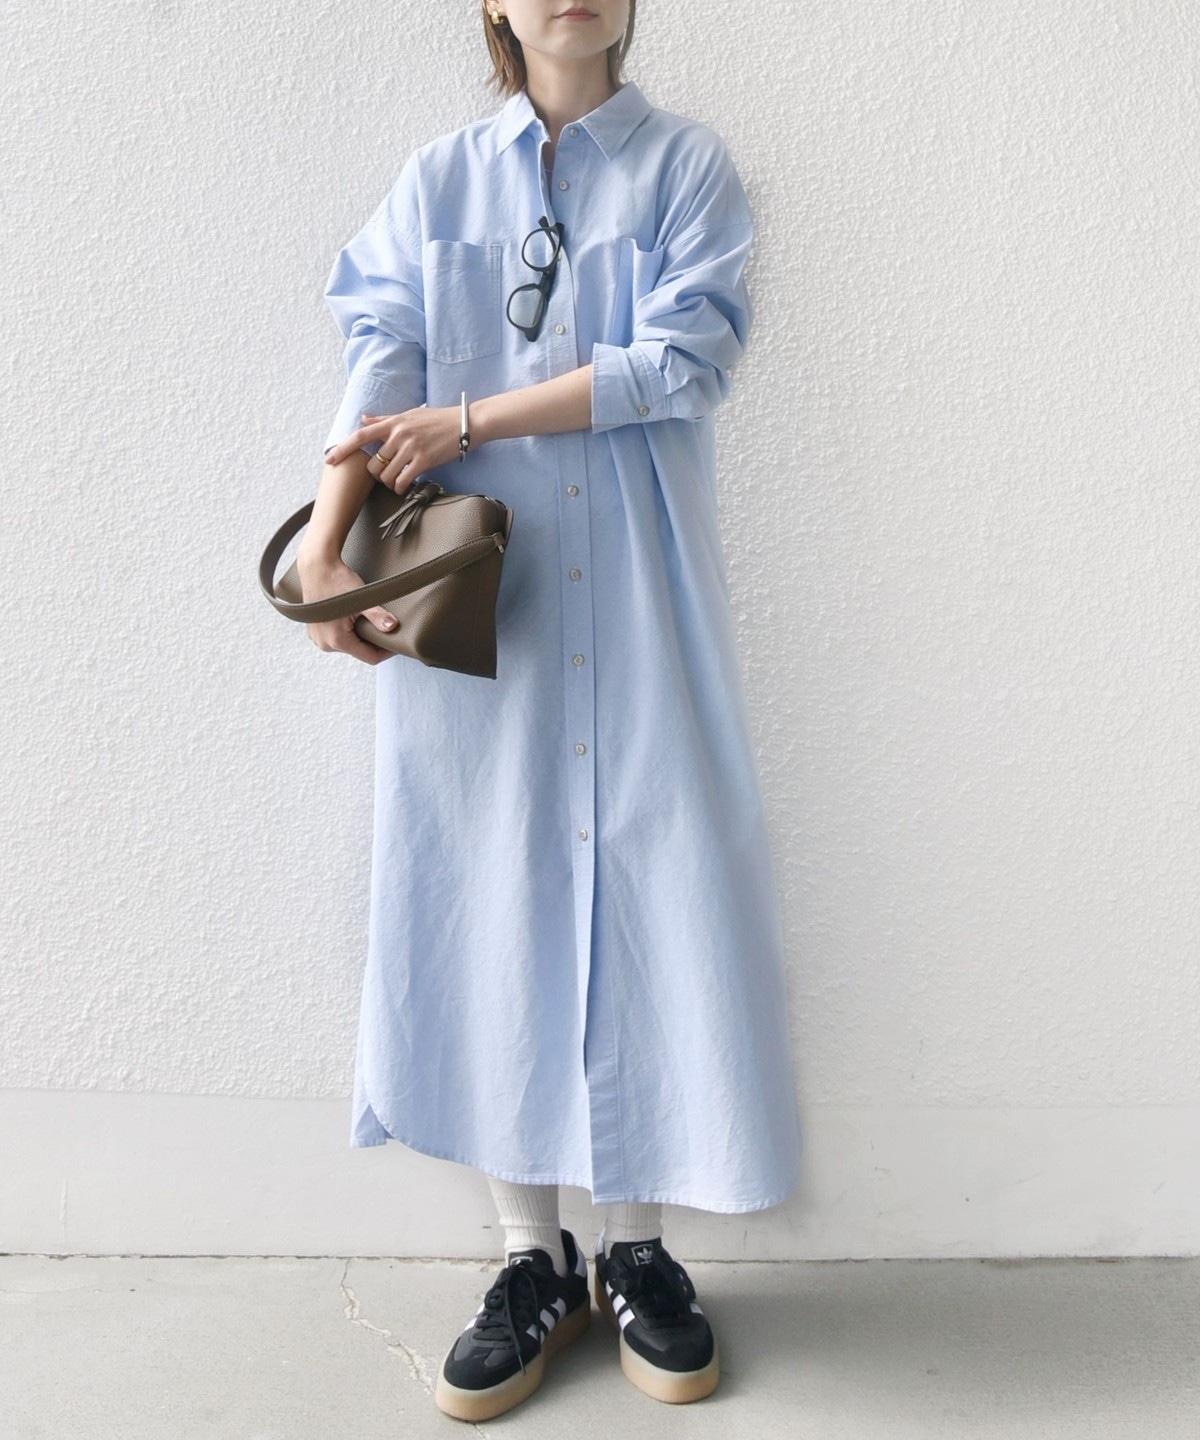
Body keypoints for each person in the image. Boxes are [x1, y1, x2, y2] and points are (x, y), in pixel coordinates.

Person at [297, 0, 803, 1422]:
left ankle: (637, 1251)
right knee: (487, 883)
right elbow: (380, 356)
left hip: (637, 595)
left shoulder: (690, 167)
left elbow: (684, 361)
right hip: (479, 606)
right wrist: (327, 551)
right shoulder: (437, 181)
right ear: (494, 7)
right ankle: (533, 1257)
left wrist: (473, 420)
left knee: (651, 880)